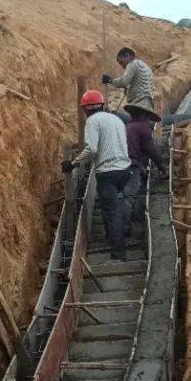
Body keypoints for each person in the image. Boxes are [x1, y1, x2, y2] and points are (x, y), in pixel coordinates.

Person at [62, 89, 132, 260]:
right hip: (125, 169)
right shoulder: (116, 119)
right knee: (119, 204)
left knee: (111, 211)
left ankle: (118, 253)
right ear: (102, 105)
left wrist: (73, 163)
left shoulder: (92, 121)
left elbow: (92, 149)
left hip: (107, 173)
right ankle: (122, 234)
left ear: (85, 109)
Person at [123, 109, 166, 232]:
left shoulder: (129, 126)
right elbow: (151, 150)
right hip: (130, 166)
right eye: (150, 119)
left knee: (127, 194)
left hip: (122, 165)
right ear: (143, 116)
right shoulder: (142, 127)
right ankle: (124, 232)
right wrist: (162, 167)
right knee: (128, 196)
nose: (151, 123)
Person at [102, 47, 155, 118]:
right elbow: (140, 85)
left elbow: (123, 82)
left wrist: (109, 80)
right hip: (148, 105)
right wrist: (129, 89)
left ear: (127, 56)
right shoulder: (146, 68)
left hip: (139, 104)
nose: (122, 66)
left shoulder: (134, 63)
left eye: (121, 62)